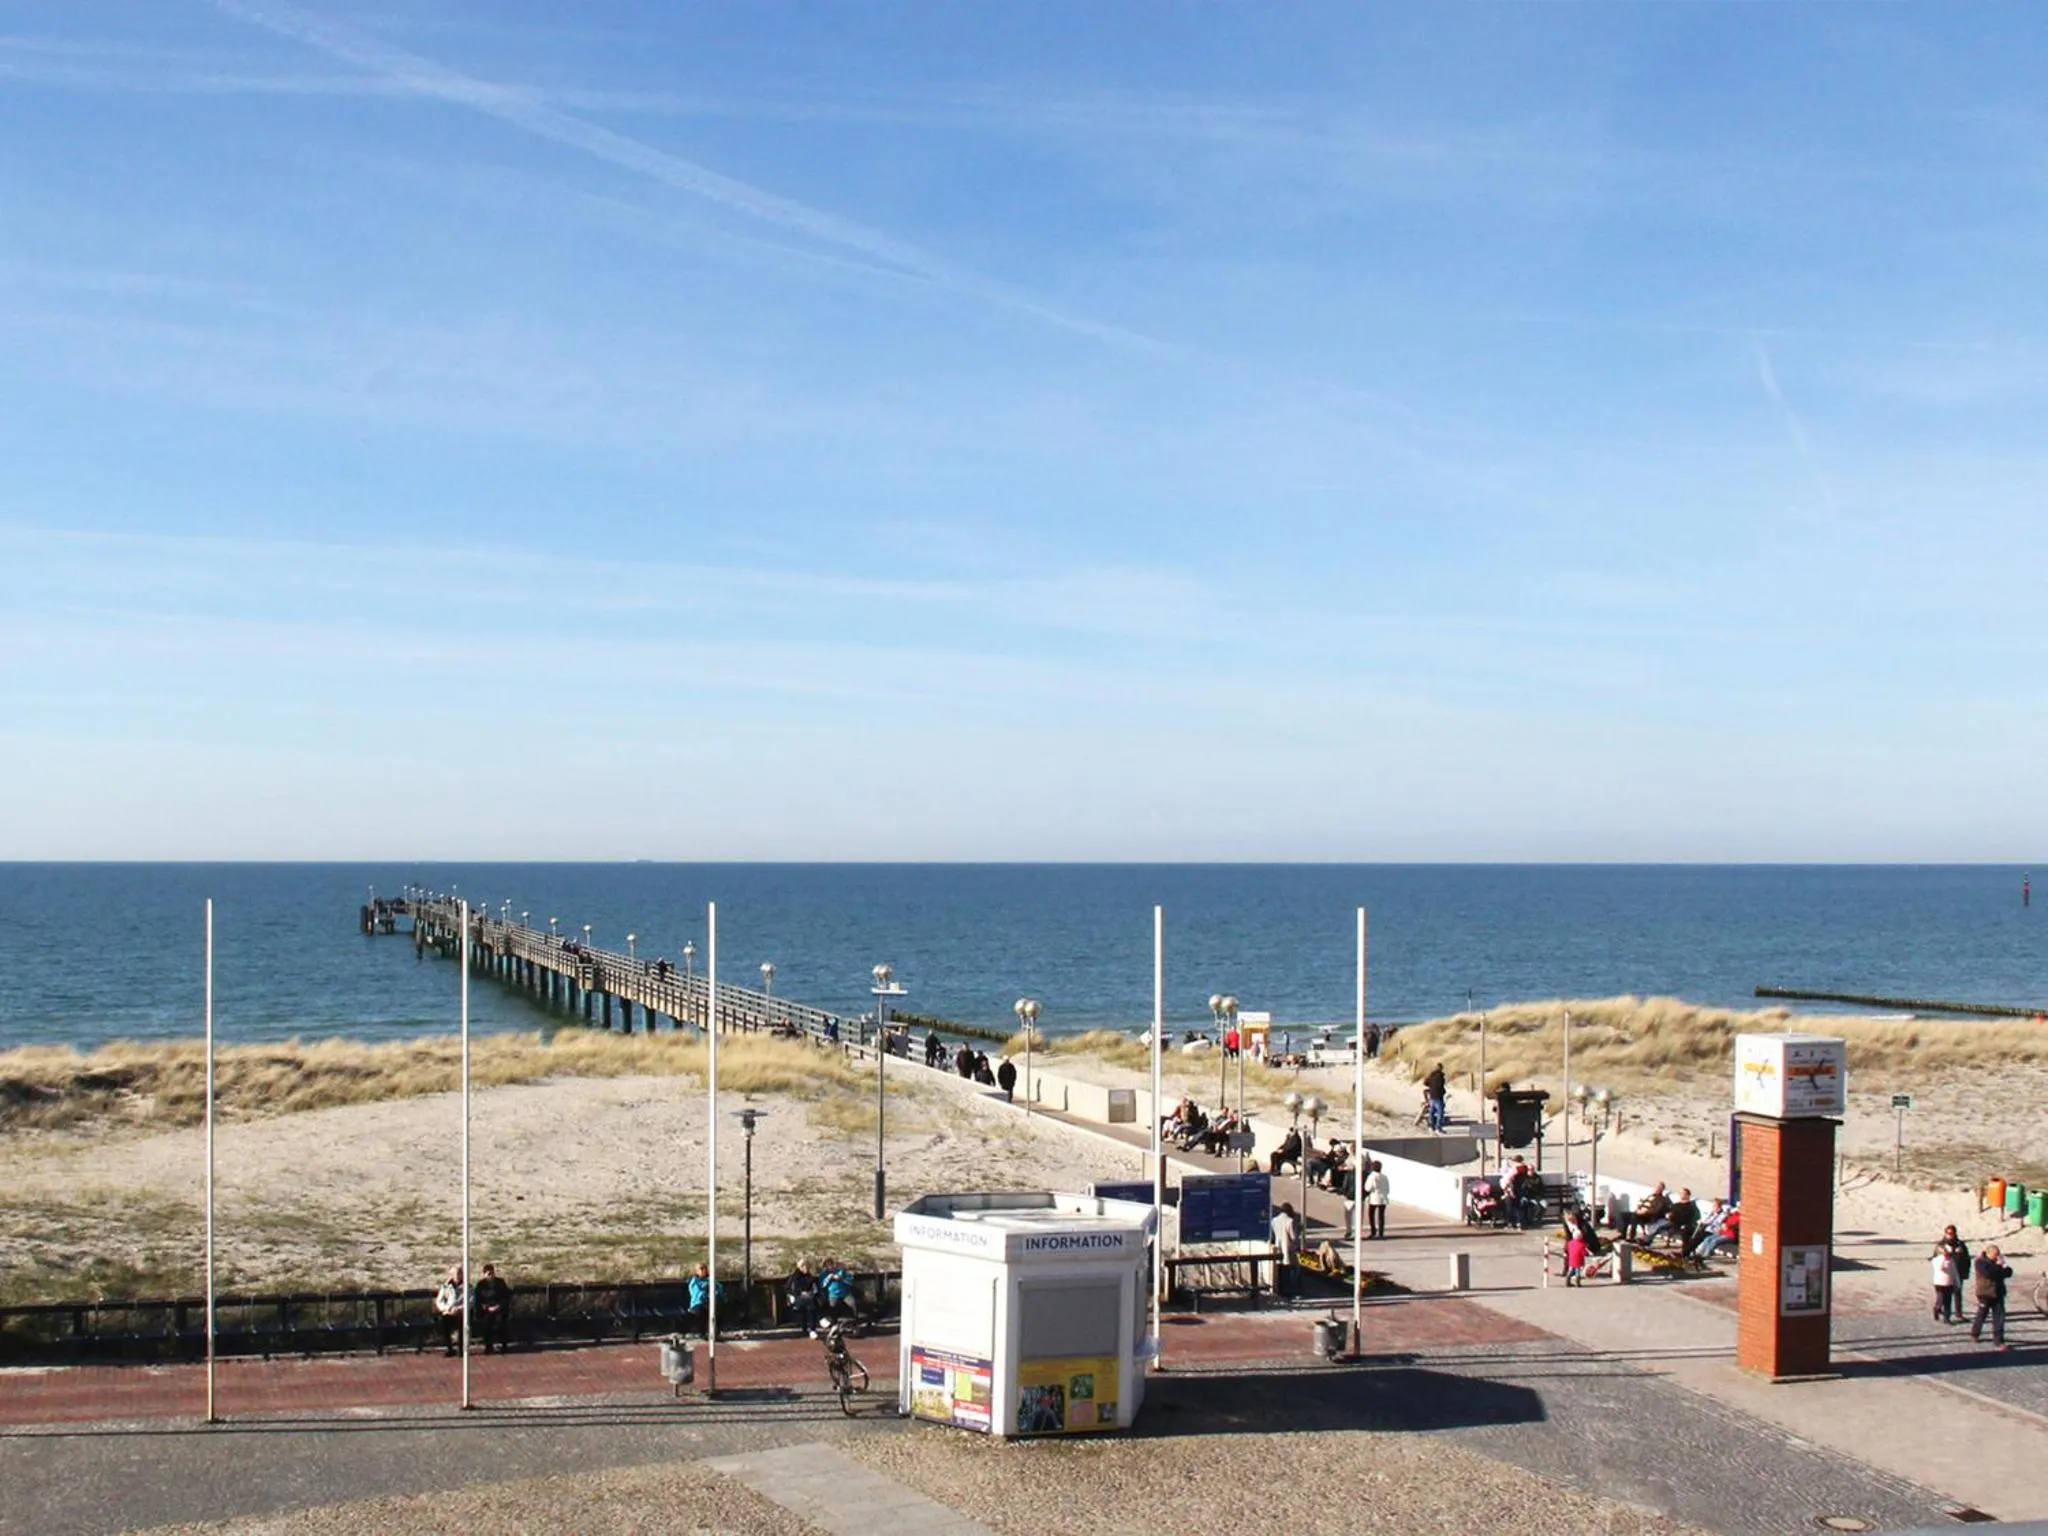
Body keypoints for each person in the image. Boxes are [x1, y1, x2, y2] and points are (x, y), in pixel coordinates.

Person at [1970, 1244, 2012, 1349]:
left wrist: (2002, 1266)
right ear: (1989, 1253)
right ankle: (1975, 1333)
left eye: (1998, 1254)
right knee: (1982, 1314)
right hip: (1985, 1293)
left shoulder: (1997, 1263)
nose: (1997, 1257)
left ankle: (1998, 1340)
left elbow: (2009, 1272)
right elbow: (1989, 1273)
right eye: (1995, 1254)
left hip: (1998, 1293)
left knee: (1999, 1317)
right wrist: (2000, 1268)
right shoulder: (1980, 1262)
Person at [472, 1263, 513, 1354]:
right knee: (486, 1323)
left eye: (492, 1273)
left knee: (501, 1322)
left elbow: (506, 1296)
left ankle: (504, 1346)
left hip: (499, 1308)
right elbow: (478, 1299)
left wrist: (498, 1306)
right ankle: (488, 1346)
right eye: (488, 1274)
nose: (491, 1275)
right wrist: (486, 1307)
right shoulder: (480, 1284)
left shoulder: (500, 1282)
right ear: (484, 1274)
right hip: (486, 1310)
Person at [1935, 1226, 1971, 1325]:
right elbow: (1935, 1260)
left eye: (1952, 1233)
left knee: (1958, 1294)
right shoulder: (1941, 1245)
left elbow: (1966, 1259)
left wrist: (1966, 1271)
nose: (1950, 1235)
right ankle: (1941, 1311)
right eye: (1948, 1233)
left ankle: (1959, 1314)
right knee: (1945, 1296)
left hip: (1958, 1272)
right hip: (1946, 1275)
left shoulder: (1960, 1244)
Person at [433, 1265, 465, 1356]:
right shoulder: (446, 1286)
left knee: (462, 1325)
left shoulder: (467, 1286)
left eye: (459, 1273)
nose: (457, 1275)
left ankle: (461, 1349)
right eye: (454, 1273)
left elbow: (470, 1301)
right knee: (443, 1324)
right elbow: (439, 1300)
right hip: (448, 1311)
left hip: (461, 1312)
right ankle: (449, 1349)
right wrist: (446, 1309)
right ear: (450, 1274)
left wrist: (458, 1309)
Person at [1271, 1201, 1301, 1296]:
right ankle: (1291, 1290)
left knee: (1280, 1270)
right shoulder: (1290, 1221)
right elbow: (1293, 1237)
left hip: (1278, 1247)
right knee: (1293, 1269)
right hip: (1288, 1249)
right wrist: (1299, 1230)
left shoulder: (1274, 1220)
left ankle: (1280, 1290)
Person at [784, 1259, 820, 1336]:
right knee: (809, 1305)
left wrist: (812, 1293)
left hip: (809, 1298)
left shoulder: (810, 1276)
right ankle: (811, 1329)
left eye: (807, 1267)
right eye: (803, 1266)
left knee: (810, 1304)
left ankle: (811, 1329)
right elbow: (789, 1289)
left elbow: (815, 1288)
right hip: (796, 1298)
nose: (806, 1268)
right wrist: (801, 1293)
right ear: (799, 1267)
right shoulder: (794, 1277)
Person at [1930, 1241, 1961, 1326]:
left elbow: (1954, 1272)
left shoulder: (1951, 1260)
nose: (1947, 1254)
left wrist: (1957, 1282)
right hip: (1939, 1283)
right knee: (1940, 1299)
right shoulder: (1936, 1260)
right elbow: (1940, 1268)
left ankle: (1947, 1318)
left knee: (1948, 1301)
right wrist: (1943, 1258)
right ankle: (1937, 1309)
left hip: (1949, 1283)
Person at [819, 1258, 859, 1325]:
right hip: (833, 1295)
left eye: (830, 1264)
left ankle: (856, 1322)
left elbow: (850, 1280)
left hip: (845, 1293)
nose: (829, 1266)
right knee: (833, 1308)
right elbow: (822, 1285)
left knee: (854, 1303)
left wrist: (841, 1278)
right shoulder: (824, 1274)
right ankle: (835, 1325)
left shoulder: (841, 1271)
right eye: (827, 1265)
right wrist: (829, 1278)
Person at [1363, 1159, 1390, 1239]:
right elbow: (1387, 1189)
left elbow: (1368, 1188)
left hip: (1374, 1198)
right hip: (1383, 1198)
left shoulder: (1371, 1176)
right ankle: (1381, 1232)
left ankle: (1373, 1231)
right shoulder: (1385, 1177)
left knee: (1371, 1215)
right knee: (1381, 1216)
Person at [684, 1262, 714, 1335]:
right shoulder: (694, 1281)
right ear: (697, 1271)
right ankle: (702, 1332)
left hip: (709, 1301)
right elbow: (697, 1292)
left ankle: (715, 1332)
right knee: (701, 1311)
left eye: (704, 1268)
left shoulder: (710, 1279)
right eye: (701, 1269)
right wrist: (706, 1293)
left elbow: (718, 1288)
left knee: (718, 1309)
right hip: (697, 1303)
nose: (703, 1270)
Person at [1423, 1063, 1448, 1132]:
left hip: (1432, 1095)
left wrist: (1431, 1086)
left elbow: (1425, 1082)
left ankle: (1431, 1126)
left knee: (1432, 1111)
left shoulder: (1431, 1075)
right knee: (1440, 1112)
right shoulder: (1440, 1076)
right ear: (1441, 1068)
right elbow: (1440, 1086)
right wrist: (1443, 1091)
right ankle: (1438, 1127)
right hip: (1438, 1096)